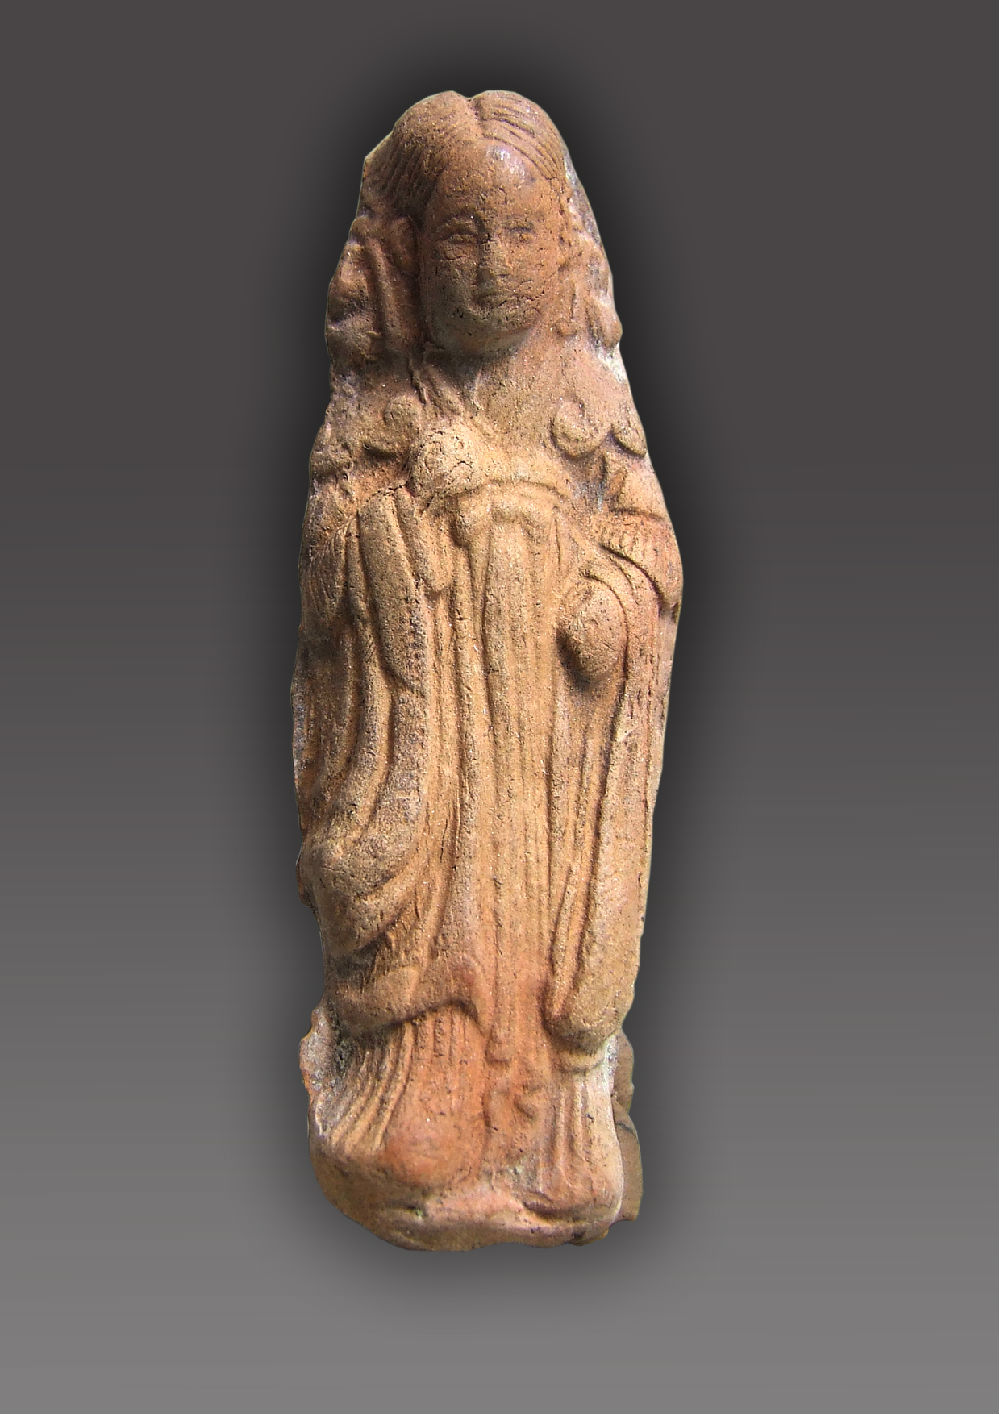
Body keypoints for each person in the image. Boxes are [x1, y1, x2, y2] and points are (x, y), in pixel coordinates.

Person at [293, 91, 681, 1247]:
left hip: (546, 775)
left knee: (546, 957)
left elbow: (651, 549)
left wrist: (608, 600)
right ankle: (414, 1094)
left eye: (518, 234)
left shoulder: (583, 403)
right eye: (461, 235)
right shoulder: (380, 413)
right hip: (436, 772)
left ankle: (558, 1123)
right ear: (408, 254)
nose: (490, 266)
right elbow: (329, 578)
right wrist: (398, 532)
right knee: (436, 960)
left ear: (564, 247)